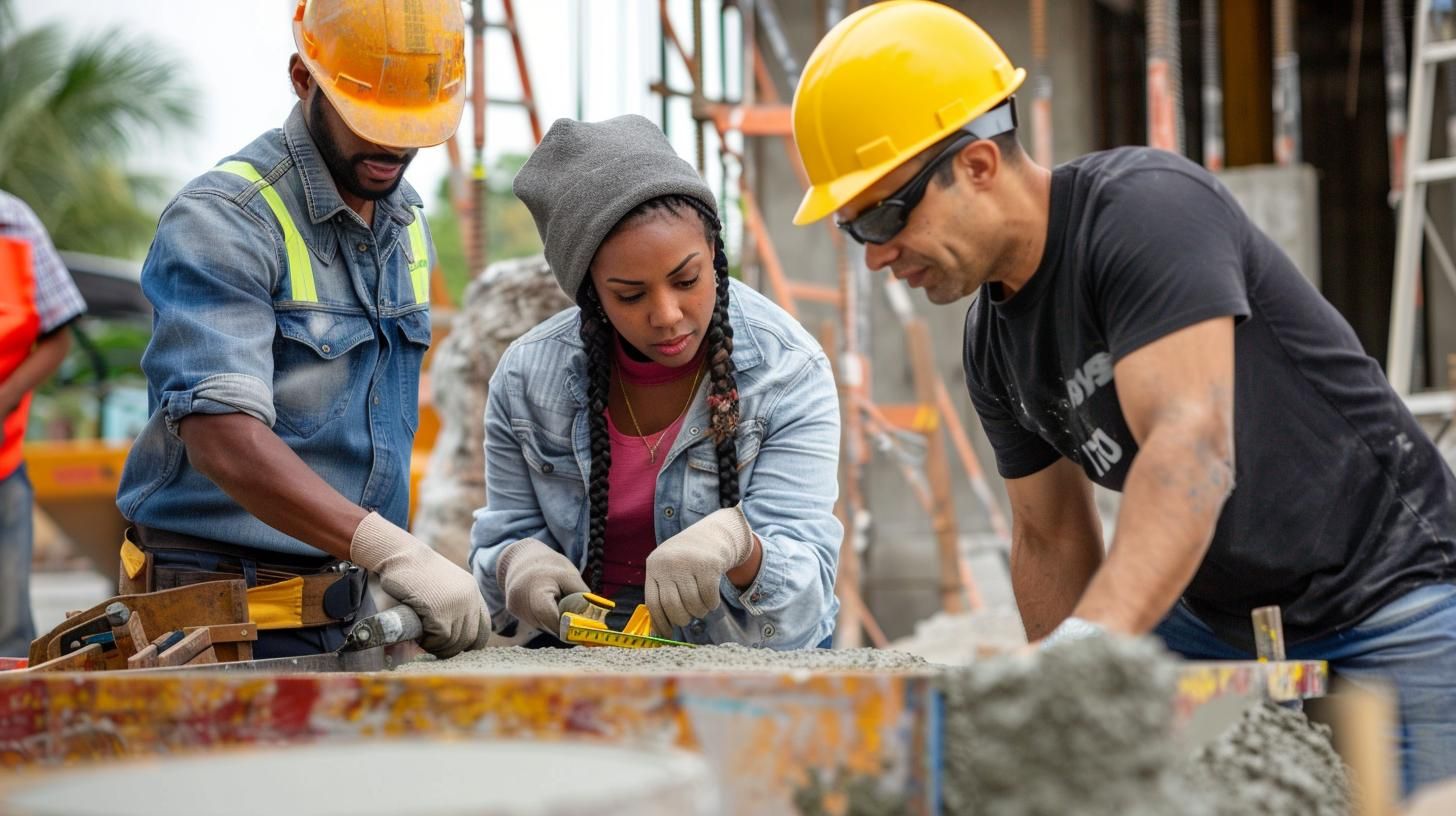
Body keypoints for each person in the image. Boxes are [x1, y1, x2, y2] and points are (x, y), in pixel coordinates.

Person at [790, 0, 1456, 794]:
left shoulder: (1144, 212)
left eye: (886, 217)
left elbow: (1192, 450)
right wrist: (1059, 710)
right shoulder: (992, 344)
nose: (876, 256)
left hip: (1387, 596)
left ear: (975, 164)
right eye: (855, 230)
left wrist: (1086, 653)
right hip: (1216, 622)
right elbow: (1050, 540)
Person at [115, 0, 486, 659]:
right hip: (218, 617)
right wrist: (388, 547)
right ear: (302, 77)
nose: (391, 145)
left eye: (412, 123)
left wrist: (383, 570)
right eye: (368, 118)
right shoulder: (225, 219)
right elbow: (222, 438)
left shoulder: (404, 226)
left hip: (347, 608)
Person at [470, 114, 841, 648]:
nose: (667, 315)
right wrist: (514, 563)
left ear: (714, 251)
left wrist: (740, 547)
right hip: (585, 659)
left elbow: (804, 603)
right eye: (630, 295)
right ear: (590, 291)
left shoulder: (787, 370)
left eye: (687, 279)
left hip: (744, 657)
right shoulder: (529, 378)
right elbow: (500, 539)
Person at [0, 192, 87, 657]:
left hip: (3, 466)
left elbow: (58, 336)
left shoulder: (15, 224)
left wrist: (4, 402)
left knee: (9, 627)